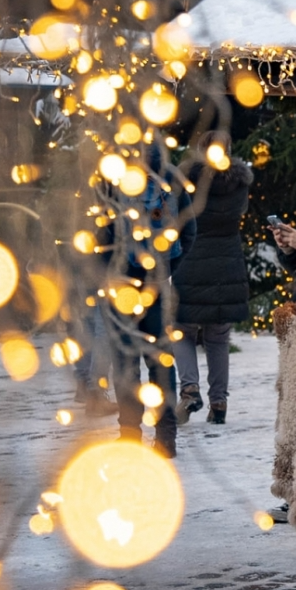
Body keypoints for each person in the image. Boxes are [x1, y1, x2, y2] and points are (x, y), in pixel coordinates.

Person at [99, 145, 196, 458]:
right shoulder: (172, 178)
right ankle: (166, 439)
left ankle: (129, 434)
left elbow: (98, 234)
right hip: (157, 281)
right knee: (160, 361)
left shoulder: (111, 176)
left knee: (125, 361)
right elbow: (190, 231)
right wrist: (167, 269)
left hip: (121, 284)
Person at [172, 153, 253, 425]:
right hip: (227, 266)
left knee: (182, 330)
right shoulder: (239, 186)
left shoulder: (187, 183)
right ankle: (219, 403)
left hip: (191, 263)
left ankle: (189, 389)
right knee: (218, 337)